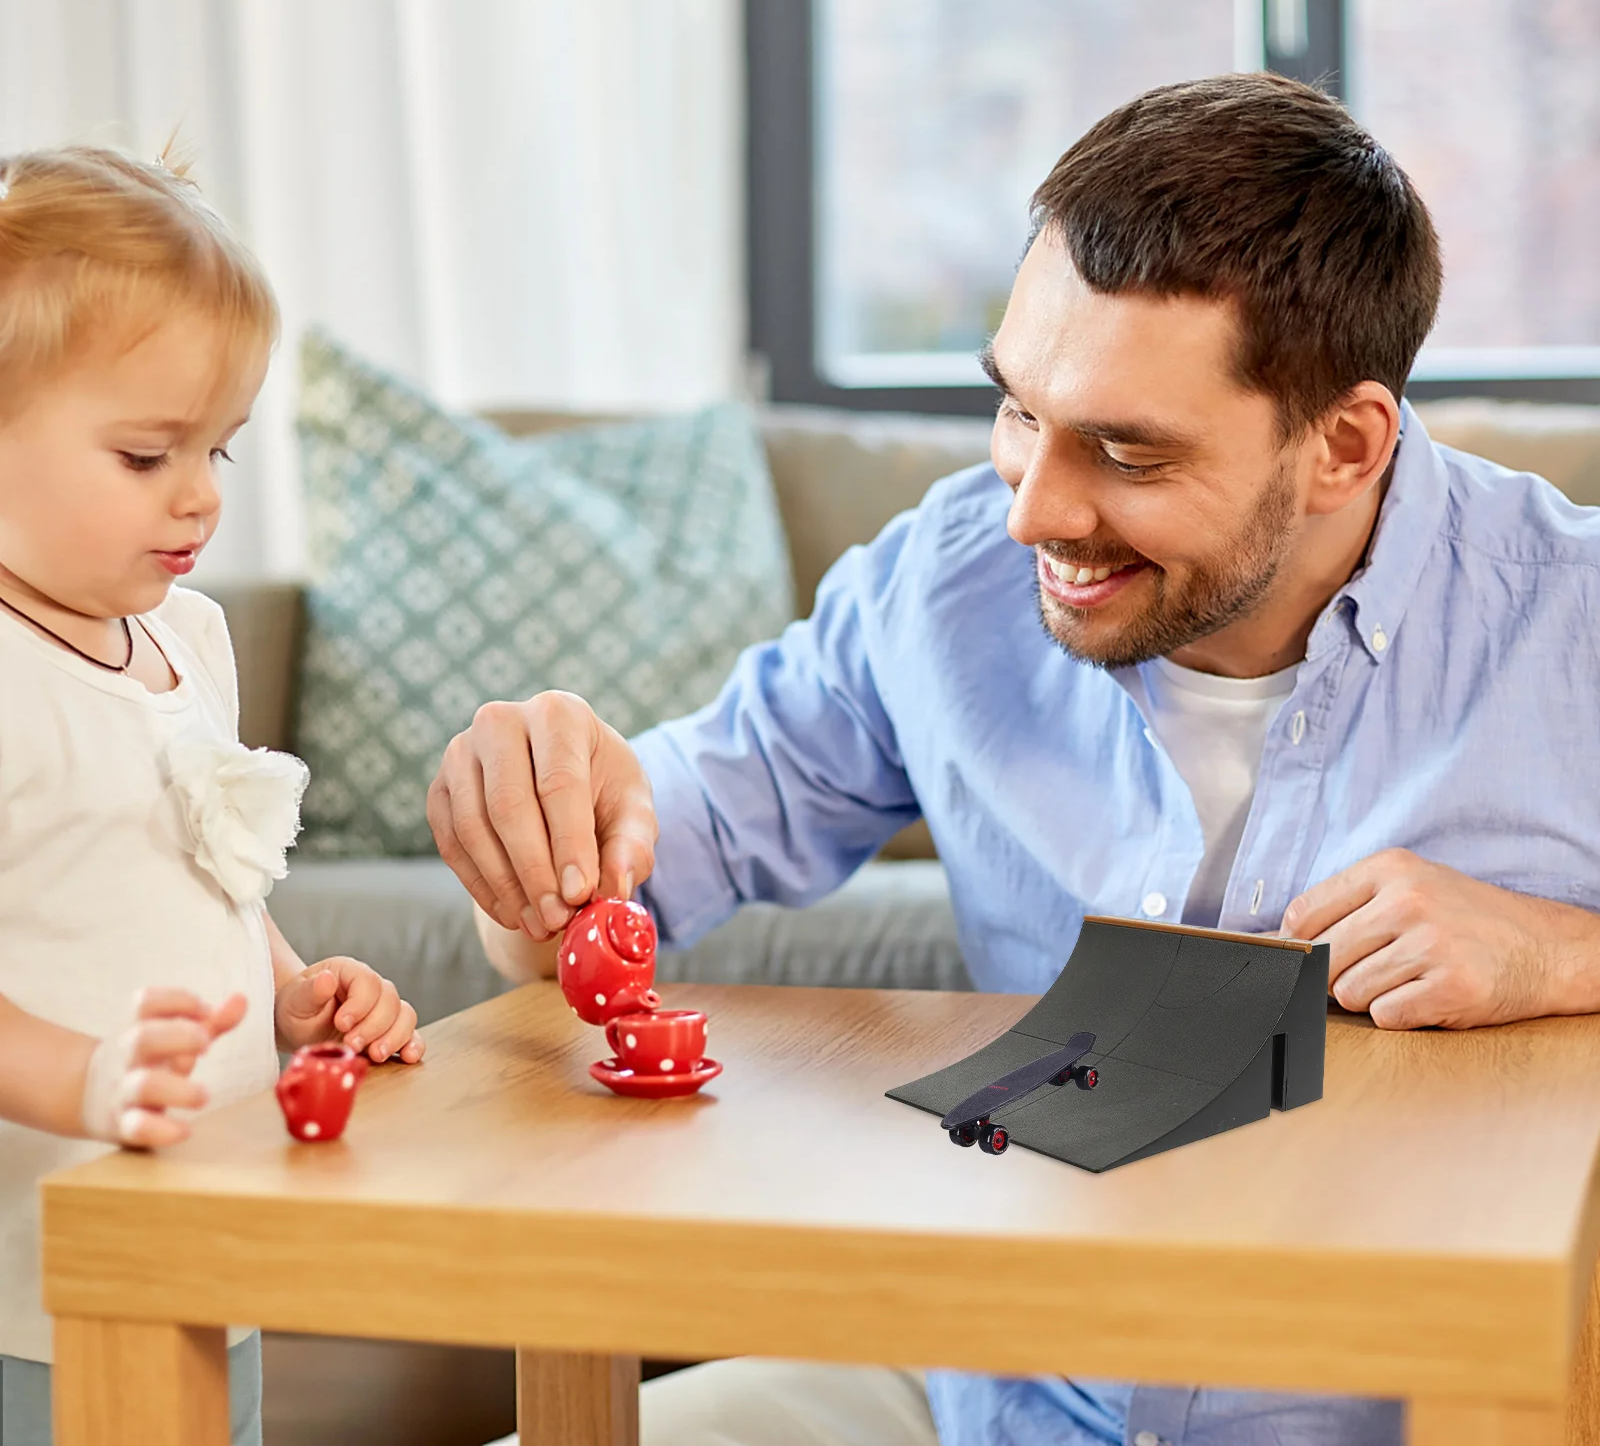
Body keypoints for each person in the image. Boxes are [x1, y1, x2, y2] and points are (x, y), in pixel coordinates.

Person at [430, 74, 1600, 1445]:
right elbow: (597, 902)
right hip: (1002, 1399)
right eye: (1019, 412)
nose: (1033, 512)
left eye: (1126, 453)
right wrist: (540, 829)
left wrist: (1569, 957)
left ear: (1344, 446)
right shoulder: (941, 584)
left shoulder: (1570, 618)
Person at [0, 147, 427, 1446]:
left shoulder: (189, 639)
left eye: (219, 448)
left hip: (207, 1229)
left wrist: (292, 992)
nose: (200, 497)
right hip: (41, 1278)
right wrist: (85, 1081)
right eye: (146, 456)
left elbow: (206, 871)